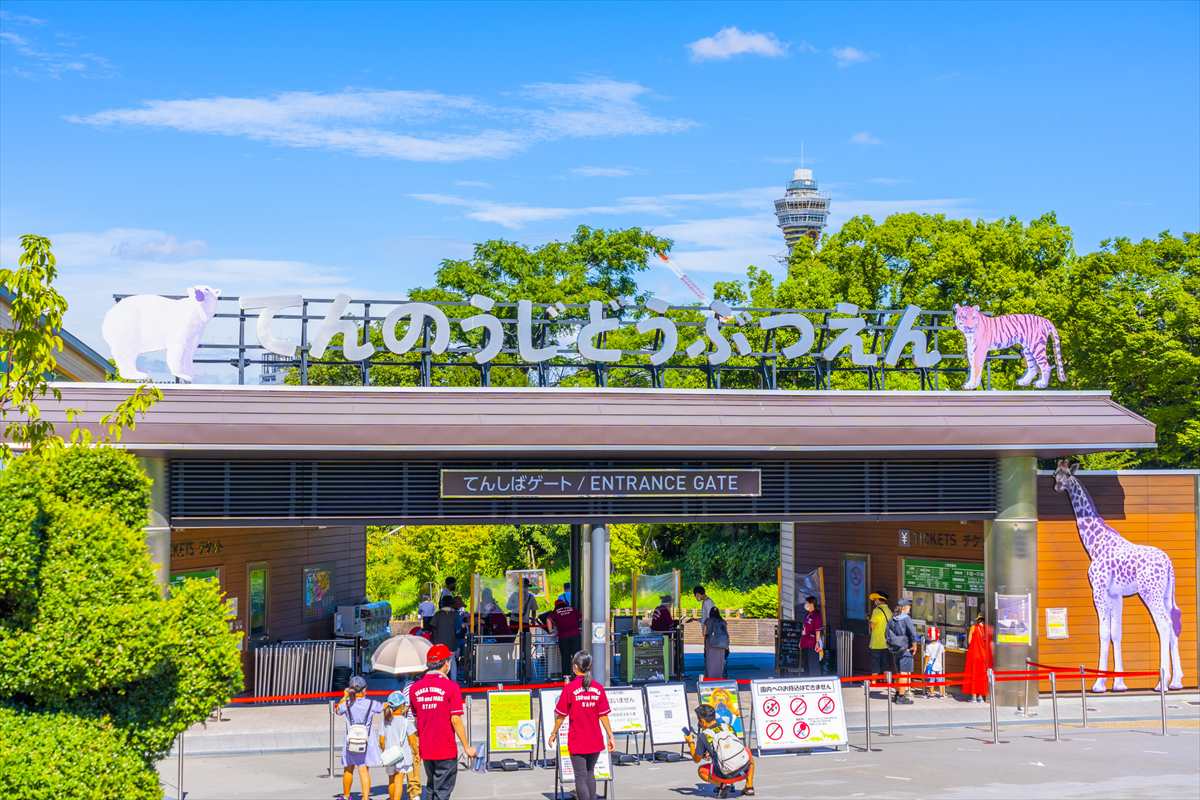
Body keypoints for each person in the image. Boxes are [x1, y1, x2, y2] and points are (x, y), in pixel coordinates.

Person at [410, 644, 476, 800]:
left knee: (432, 788)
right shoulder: (451, 687)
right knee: (443, 792)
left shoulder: (415, 688)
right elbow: (455, 719)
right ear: (446, 663)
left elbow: (416, 720)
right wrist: (466, 747)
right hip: (445, 749)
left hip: (426, 749)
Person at [548, 651, 615, 800]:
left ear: (576, 667)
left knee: (580, 775)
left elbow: (560, 715)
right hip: (595, 739)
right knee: (590, 773)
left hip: (578, 739)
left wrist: (553, 733)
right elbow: (603, 714)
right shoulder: (598, 688)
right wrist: (611, 735)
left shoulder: (570, 688)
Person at [684, 703, 755, 798]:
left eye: (699, 721)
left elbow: (696, 759)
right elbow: (733, 748)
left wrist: (691, 743)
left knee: (701, 771)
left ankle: (722, 785)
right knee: (747, 751)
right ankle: (749, 786)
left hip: (726, 774)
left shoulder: (704, 735)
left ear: (702, 721)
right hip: (744, 770)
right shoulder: (728, 727)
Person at [333, 675, 383, 800]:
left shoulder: (347, 704)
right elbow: (383, 707)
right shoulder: (371, 704)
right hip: (365, 742)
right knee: (363, 769)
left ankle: (346, 796)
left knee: (348, 769)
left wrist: (345, 696)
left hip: (351, 741)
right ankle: (365, 798)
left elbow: (338, 710)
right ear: (364, 689)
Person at [380, 689, 421, 800]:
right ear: (402, 706)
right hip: (402, 756)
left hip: (389, 755)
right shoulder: (406, 722)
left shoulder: (385, 721)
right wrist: (416, 753)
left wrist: (384, 750)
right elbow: (412, 741)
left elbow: (382, 740)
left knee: (391, 780)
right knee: (398, 780)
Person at [885, 598, 919, 704]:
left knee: (898, 673)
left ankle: (896, 694)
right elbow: (913, 633)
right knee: (904, 674)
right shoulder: (906, 618)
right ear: (904, 608)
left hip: (895, 649)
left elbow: (886, 634)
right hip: (905, 649)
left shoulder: (892, 619)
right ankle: (901, 697)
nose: (910, 609)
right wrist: (914, 645)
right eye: (909, 607)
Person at [549, 598, 583, 678]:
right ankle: (577, 675)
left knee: (565, 656)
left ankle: (566, 676)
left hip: (563, 636)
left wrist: (551, 631)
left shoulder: (556, 612)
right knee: (576, 656)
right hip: (575, 635)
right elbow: (581, 618)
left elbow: (548, 619)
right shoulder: (572, 609)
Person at [963, 613, 993, 702]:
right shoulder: (986, 629)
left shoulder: (973, 627)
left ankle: (974, 696)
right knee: (982, 676)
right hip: (983, 656)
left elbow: (969, 641)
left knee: (973, 674)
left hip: (974, 655)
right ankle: (980, 697)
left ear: (977, 620)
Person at [430, 597, 460, 680]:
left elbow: (432, 628)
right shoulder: (455, 615)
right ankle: (453, 682)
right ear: (452, 604)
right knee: (452, 663)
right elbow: (458, 630)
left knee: (439, 664)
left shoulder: (438, 614)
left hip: (439, 644)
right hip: (452, 644)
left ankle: (440, 681)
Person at [867, 591, 892, 684]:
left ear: (879, 600)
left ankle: (873, 682)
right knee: (886, 663)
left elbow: (872, 626)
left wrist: (869, 621)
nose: (874, 601)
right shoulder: (889, 611)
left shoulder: (877, 611)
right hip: (887, 642)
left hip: (877, 642)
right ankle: (887, 681)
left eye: (875, 599)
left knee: (875, 663)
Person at [800, 595, 824, 677]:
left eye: (807, 603)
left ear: (811, 604)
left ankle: (816, 681)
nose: (805, 605)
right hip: (805, 641)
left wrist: (817, 642)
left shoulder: (817, 615)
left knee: (813, 664)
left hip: (812, 642)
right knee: (805, 664)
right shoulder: (807, 614)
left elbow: (818, 630)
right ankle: (806, 681)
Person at [704, 606, 729, 680]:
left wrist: (705, 645)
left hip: (711, 644)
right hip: (722, 644)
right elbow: (726, 634)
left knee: (710, 661)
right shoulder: (723, 621)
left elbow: (706, 633)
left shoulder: (708, 621)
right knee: (720, 661)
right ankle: (719, 676)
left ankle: (711, 677)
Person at [923, 626, 946, 699]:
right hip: (939, 666)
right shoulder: (940, 646)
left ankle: (932, 693)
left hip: (931, 667)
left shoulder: (928, 646)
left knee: (931, 681)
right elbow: (943, 652)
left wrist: (925, 666)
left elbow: (927, 657)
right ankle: (942, 694)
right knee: (940, 681)